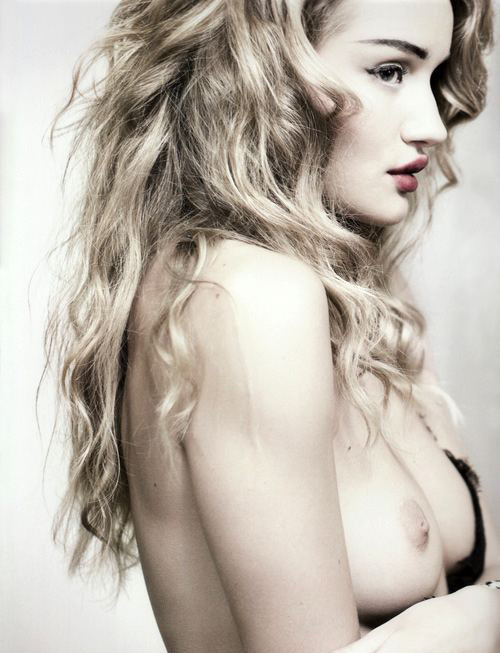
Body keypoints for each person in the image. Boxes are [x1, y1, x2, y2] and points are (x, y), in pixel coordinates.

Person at [45, 0, 500, 651]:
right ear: (269, 67)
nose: (431, 125)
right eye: (390, 71)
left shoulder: (372, 299)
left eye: (435, 75)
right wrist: (483, 616)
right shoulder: (246, 299)